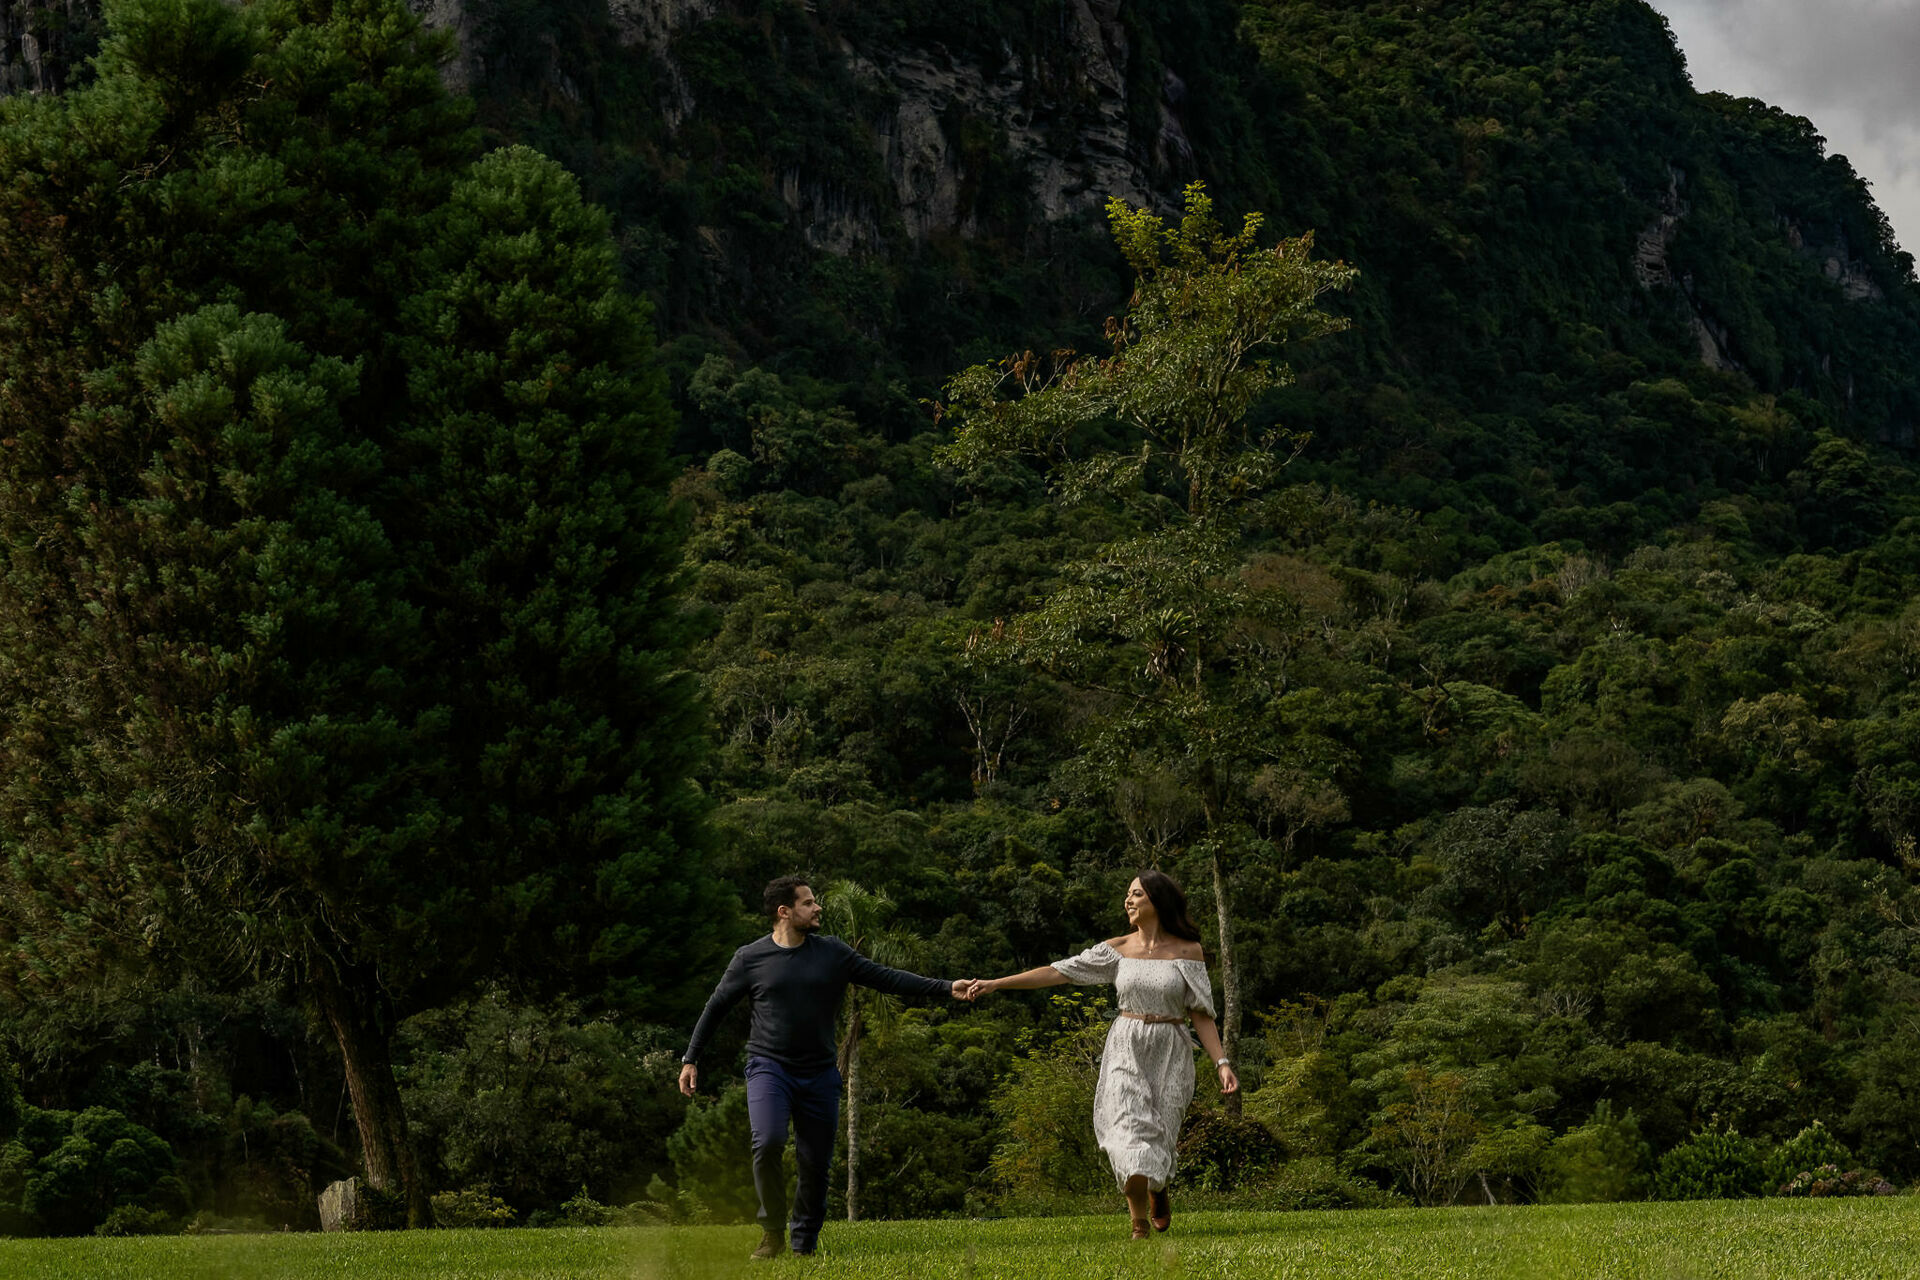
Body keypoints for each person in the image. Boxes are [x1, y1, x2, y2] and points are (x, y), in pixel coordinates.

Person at [679, 876, 973, 1260]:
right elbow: (715, 1007)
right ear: (784, 912)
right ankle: (771, 1234)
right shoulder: (750, 958)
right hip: (770, 1068)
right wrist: (690, 1059)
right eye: (808, 902)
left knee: (815, 1163)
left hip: (819, 1073)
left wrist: (945, 987)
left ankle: (804, 1244)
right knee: (766, 1141)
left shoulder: (833, 953)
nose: (817, 908)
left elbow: (885, 978)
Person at [965, 869, 1237, 1239]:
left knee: (1160, 1132)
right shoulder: (1119, 949)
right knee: (1128, 1127)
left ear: (1157, 900)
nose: (1128, 900)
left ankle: (1158, 1188)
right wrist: (998, 983)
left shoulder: (1187, 952)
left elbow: (1201, 1012)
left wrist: (1221, 1063)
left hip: (1171, 1048)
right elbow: (1059, 972)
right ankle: (1138, 1221)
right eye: (1128, 894)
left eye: (1136, 894)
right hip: (1127, 1044)